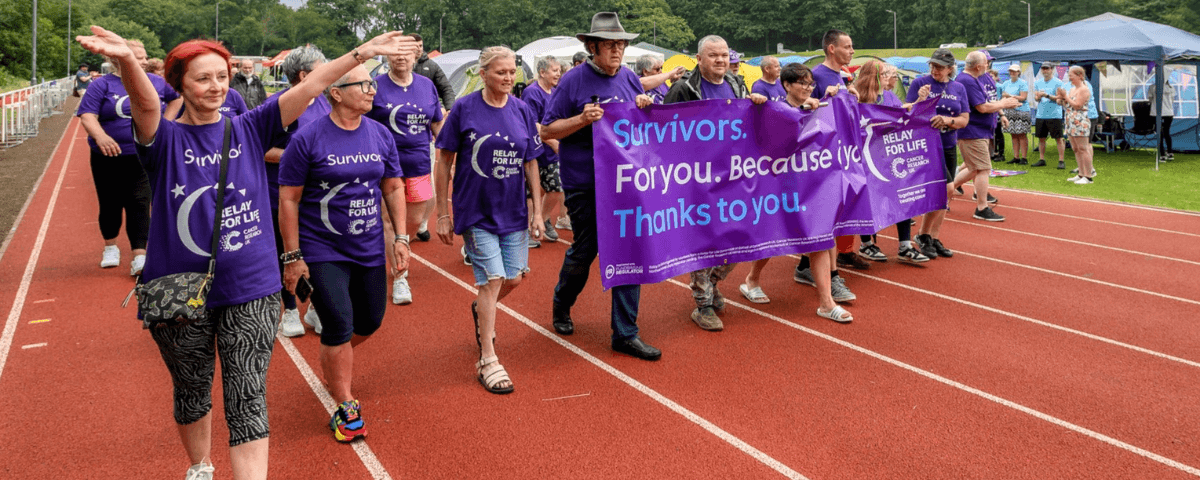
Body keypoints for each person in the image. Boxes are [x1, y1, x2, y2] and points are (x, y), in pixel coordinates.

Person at [76, 25, 415, 479]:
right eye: (203, 78)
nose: (216, 87)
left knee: (248, 395)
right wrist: (128, 62)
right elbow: (144, 105)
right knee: (192, 391)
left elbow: (313, 84)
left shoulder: (251, 127)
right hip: (181, 291)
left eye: (222, 76)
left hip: (252, 286)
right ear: (181, 84)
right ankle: (200, 466)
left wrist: (363, 53)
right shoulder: (165, 140)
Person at [279, 63, 409, 442]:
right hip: (322, 247)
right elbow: (288, 199)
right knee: (338, 322)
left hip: (367, 245)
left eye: (373, 84)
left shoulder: (380, 135)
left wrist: (401, 238)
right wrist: (293, 256)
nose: (373, 90)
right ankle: (344, 401)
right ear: (335, 92)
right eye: (364, 84)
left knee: (369, 322)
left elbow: (393, 187)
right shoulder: (308, 138)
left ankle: (334, 357)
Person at [542, 12, 660, 360]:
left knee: (628, 250)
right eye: (610, 45)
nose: (618, 50)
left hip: (625, 183)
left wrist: (645, 107)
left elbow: (642, 128)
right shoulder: (573, 81)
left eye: (621, 44)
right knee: (587, 249)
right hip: (585, 181)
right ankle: (562, 302)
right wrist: (582, 119)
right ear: (592, 47)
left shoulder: (629, 78)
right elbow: (547, 130)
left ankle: (625, 333)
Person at [434, 46, 542, 393]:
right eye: (501, 72)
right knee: (492, 279)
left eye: (512, 72)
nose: (509, 78)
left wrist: (538, 210)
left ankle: (483, 310)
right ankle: (488, 359)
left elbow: (530, 162)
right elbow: (444, 161)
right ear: (483, 73)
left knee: (514, 279)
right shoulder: (464, 109)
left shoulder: (522, 110)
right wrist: (443, 213)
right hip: (475, 209)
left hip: (512, 210)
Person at [663, 35, 766, 331]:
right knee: (702, 241)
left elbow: (746, 122)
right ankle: (703, 305)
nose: (720, 60)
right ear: (699, 59)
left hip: (732, 175)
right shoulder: (684, 88)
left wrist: (756, 103)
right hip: (695, 179)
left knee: (740, 234)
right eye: (713, 55)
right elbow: (661, 130)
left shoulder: (735, 85)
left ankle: (713, 282)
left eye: (724, 55)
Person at [76, 44, 180, 275]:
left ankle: (139, 256)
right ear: (117, 60)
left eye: (144, 57)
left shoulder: (155, 82)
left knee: (140, 203)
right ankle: (110, 246)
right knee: (110, 202)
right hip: (108, 156)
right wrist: (101, 136)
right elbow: (87, 115)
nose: (143, 62)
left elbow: (176, 99)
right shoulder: (101, 84)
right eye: (138, 58)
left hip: (142, 154)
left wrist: (166, 124)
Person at [366, 46, 444, 305]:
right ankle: (400, 276)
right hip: (384, 166)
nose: (401, 57)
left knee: (413, 221)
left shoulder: (426, 86)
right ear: (387, 56)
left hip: (419, 164)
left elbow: (436, 124)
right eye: (395, 53)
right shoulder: (375, 85)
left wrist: (447, 156)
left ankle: (395, 249)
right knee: (390, 221)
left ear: (416, 57)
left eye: (407, 53)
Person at [267, 45, 333, 338]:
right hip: (282, 195)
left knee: (320, 253)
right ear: (304, 75)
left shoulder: (329, 102)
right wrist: (299, 158)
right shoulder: (278, 105)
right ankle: (290, 310)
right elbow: (261, 148)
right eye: (322, 69)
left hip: (320, 196)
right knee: (288, 253)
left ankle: (315, 309)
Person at [852, 59, 931, 265]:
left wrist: (919, 103)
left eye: (889, 74)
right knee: (868, 200)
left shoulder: (888, 96)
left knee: (902, 196)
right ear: (874, 76)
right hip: (867, 158)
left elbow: (902, 116)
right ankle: (866, 243)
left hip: (889, 156)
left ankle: (905, 245)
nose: (890, 78)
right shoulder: (857, 99)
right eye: (886, 74)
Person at [811, 29, 869, 271]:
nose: (852, 51)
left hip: (845, 152)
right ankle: (812, 265)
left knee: (848, 202)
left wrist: (852, 95)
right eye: (847, 46)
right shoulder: (816, 75)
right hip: (824, 154)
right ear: (832, 48)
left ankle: (843, 253)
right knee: (826, 211)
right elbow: (804, 111)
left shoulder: (843, 76)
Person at [907, 48, 970, 260]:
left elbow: (964, 119)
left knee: (945, 194)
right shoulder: (919, 84)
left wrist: (947, 120)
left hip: (948, 144)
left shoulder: (958, 87)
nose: (935, 70)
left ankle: (931, 237)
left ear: (951, 68)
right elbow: (908, 113)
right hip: (926, 146)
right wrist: (919, 100)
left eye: (940, 67)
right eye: (932, 65)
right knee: (947, 188)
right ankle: (923, 234)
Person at [951, 51, 1021, 222]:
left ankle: (946, 192)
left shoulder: (972, 79)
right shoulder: (967, 80)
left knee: (974, 167)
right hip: (973, 131)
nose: (988, 66)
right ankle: (982, 207)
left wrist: (1001, 109)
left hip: (978, 130)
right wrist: (1004, 104)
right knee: (983, 168)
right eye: (986, 63)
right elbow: (981, 107)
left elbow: (987, 102)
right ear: (978, 66)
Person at [522, 56, 566, 242]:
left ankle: (544, 219)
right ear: (542, 72)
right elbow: (532, 124)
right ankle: (527, 229)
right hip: (534, 150)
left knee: (556, 186)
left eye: (559, 70)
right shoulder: (531, 93)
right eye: (555, 70)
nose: (558, 74)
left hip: (551, 152)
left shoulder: (555, 92)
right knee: (530, 192)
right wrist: (553, 141)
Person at [1063, 66, 1094, 184]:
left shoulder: (1084, 89)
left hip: (1080, 121)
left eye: (1071, 75)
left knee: (1083, 148)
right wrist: (1062, 99)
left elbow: (1078, 105)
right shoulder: (1072, 89)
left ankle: (1088, 175)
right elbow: (1069, 105)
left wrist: (1066, 97)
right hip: (1070, 120)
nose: (1069, 77)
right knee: (1076, 148)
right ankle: (1081, 173)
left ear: (1079, 75)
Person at [1032, 62, 1067, 168]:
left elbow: (1059, 98)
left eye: (1047, 69)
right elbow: (1036, 97)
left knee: (1058, 138)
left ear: (1052, 69)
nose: (1044, 71)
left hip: (1054, 114)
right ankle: (1041, 159)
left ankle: (1061, 160)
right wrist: (1038, 97)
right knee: (1041, 138)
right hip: (1041, 114)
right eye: (1043, 69)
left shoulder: (1058, 82)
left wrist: (1046, 95)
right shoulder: (1038, 82)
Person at [413, 34, 457, 112]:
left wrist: (449, 108)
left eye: (420, 46)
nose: (419, 49)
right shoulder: (401, 66)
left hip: (429, 110)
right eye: (416, 46)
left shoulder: (432, 66)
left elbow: (446, 89)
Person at [1000, 63, 1031, 165]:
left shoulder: (1022, 83)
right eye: (1011, 71)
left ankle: (1024, 157)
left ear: (1018, 72)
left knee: (1021, 134)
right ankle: (1016, 156)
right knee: (1013, 134)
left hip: (1021, 110)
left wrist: (1010, 96)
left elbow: (1023, 97)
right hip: (1009, 110)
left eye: (1014, 71)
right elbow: (1003, 96)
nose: (1012, 73)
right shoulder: (1005, 83)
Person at [1147, 76, 1176, 162]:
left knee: (1159, 134)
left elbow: (1150, 100)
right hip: (1168, 113)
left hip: (1156, 113)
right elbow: (1172, 100)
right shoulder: (1171, 87)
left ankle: (1162, 155)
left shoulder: (1152, 87)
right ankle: (1170, 153)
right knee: (1167, 133)